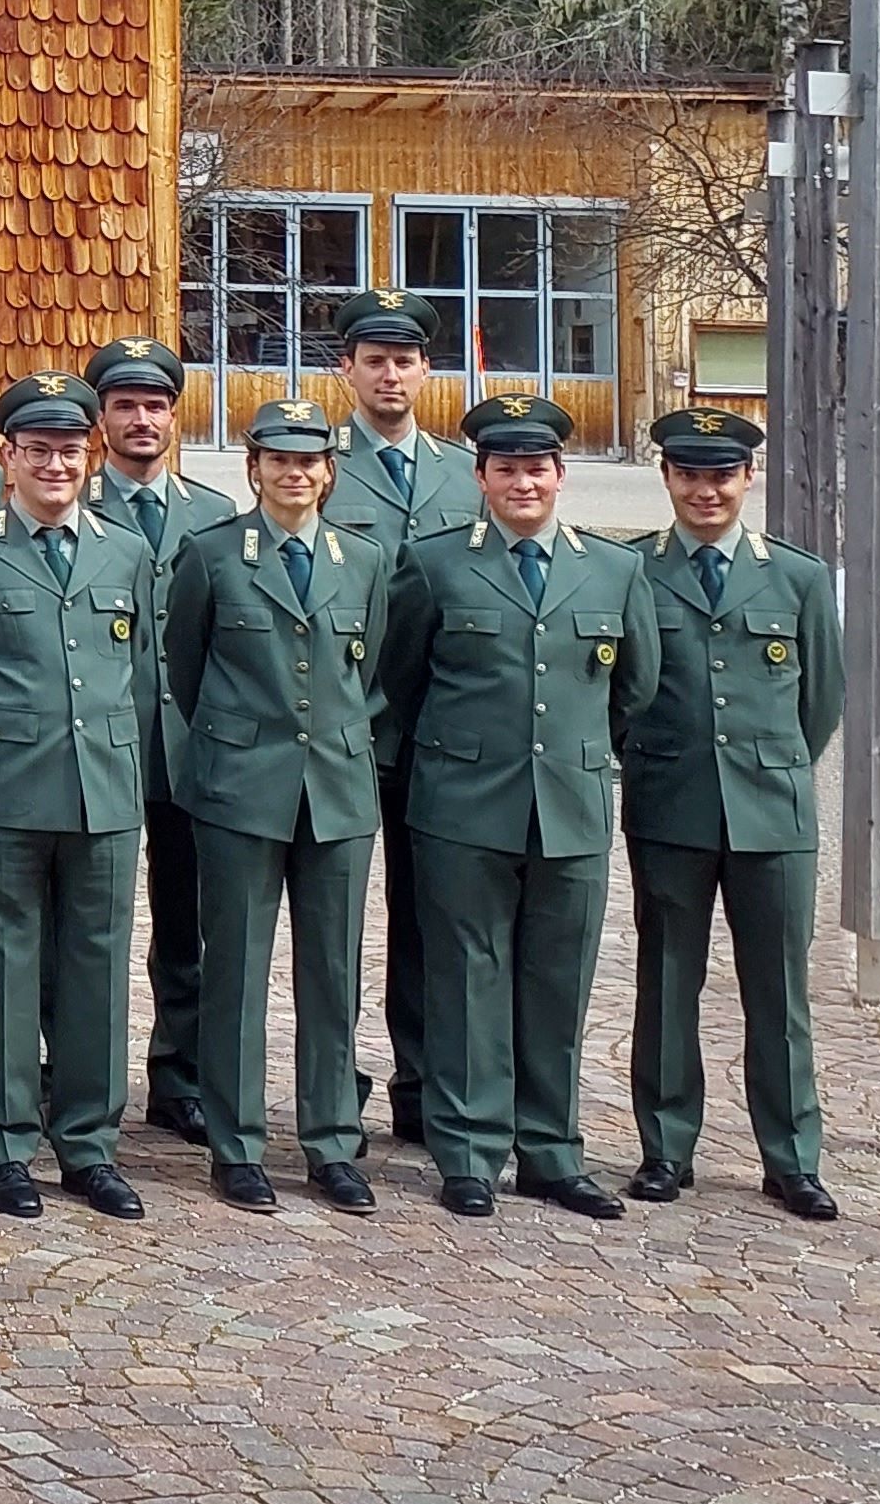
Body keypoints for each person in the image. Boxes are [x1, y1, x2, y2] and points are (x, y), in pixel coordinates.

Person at [377, 390, 656, 1220]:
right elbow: (399, 679)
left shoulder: (615, 568)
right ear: (482, 476)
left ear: (562, 474)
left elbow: (632, 688)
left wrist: (573, 755)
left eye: (537, 467)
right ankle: (466, 1149)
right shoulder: (434, 564)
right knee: (465, 977)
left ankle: (551, 1151)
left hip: (567, 804)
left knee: (556, 980)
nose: (523, 481)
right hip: (462, 804)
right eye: (507, 468)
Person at [0, 372, 155, 1222]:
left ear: (88, 455)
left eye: (69, 449)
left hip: (104, 789)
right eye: (38, 450)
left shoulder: (125, 551)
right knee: (9, 966)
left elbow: (140, 674)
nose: (55, 464)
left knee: (97, 969)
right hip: (8, 787)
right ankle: (5, 1141)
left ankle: (90, 1144)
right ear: (7, 456)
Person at [162, 396, 387, 1213]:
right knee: (238, 970)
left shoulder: (361, 560)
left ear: (329, 471)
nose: (296, 473)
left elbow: (373, 671)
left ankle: (331, 1139)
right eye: (279, 459)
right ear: (253, 468)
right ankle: (238, 1142)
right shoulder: (213, 554)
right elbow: (185, 665)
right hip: (239, 789)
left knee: (333, 974)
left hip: (335, 790)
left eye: (310, 460)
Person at [622, 405, 842, 1221]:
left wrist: (768, 767)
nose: (706, 489)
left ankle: (791, 1158)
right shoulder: (634, 572)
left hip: (772, 814)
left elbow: (820, 701)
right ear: (668, 478)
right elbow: (626, 693)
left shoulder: (798, 576)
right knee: (669, 980)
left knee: (779, 993)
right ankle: (665, 1147)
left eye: (722, 474)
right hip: (672, 804)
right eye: (690, 473)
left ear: (748, 477)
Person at [321, 285, 481, 1147]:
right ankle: (334, 1085)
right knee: (335, 917)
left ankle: (425, 1082)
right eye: (373, 359)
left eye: (405, 359)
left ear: (426, 368)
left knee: (432, 914)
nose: (390, 374)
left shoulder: (467, 471)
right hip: (345, 723)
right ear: (346, 368)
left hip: (442, 730)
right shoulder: (316, 461)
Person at [80, 334, 230, 1152]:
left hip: (190, 746)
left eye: (156, 405)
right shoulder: (70, 499)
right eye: (126, 405)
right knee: (74, 915)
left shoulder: (211, 516)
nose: (142, 419)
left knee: (189, 920)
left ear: (175, 415)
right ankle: (58, 1068)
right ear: (101, 417)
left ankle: (180, 1077)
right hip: (98, 743)